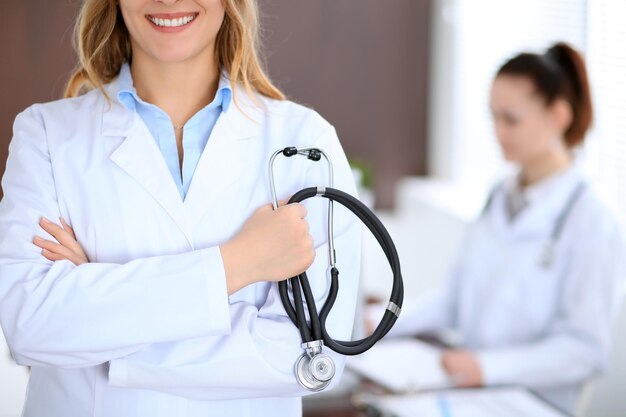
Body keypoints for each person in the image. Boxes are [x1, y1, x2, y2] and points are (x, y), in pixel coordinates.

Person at [0, 1, 361, 416]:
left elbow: (311, 361)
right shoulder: (46, 135)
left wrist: (99, 329)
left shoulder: (305, 142)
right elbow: (31, 324)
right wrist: (237, 263)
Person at [373, 42, 626, 413]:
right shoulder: (498, 196)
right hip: (471, 395)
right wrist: (382, 323)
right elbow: (455, 299)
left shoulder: (591, 218)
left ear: (558, 116)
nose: (498, 131)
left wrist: (487, 368)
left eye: (511, 119)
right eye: (492, 117)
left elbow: (585, 351)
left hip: (530, 403)